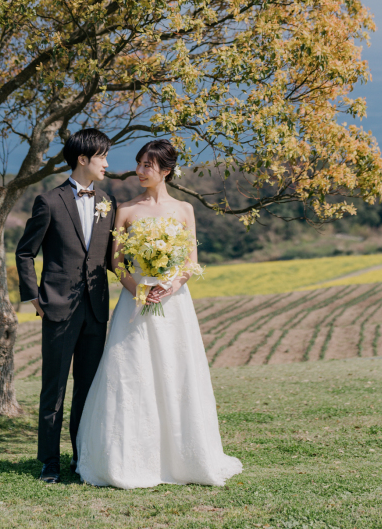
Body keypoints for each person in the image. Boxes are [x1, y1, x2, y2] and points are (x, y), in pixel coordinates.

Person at [75, 139, 242, 488]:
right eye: (138, 165)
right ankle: (127, 457)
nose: (139, 171)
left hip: (175, 302)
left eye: (146, 166)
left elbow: (191, 262)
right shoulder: (125, 209)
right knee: (130, 373)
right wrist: (138, 289)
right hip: (135, 302)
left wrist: (172, 286)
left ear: (165, 170)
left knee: (177, 373)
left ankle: (183, 457)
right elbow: (116, 261)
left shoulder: (184, 209)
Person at [15, 128, 116, 484]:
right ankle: (49, 462)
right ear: (83, 159)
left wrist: (149, 276)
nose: (107, 162)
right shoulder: (49, 201)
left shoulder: (108, 202)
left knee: (88, 389)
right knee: (54, 389)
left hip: (96, 309)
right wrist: (34, 298)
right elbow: (25, 251)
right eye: (102, 156)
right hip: (56, 307)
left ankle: (81, 457)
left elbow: (110, 259)